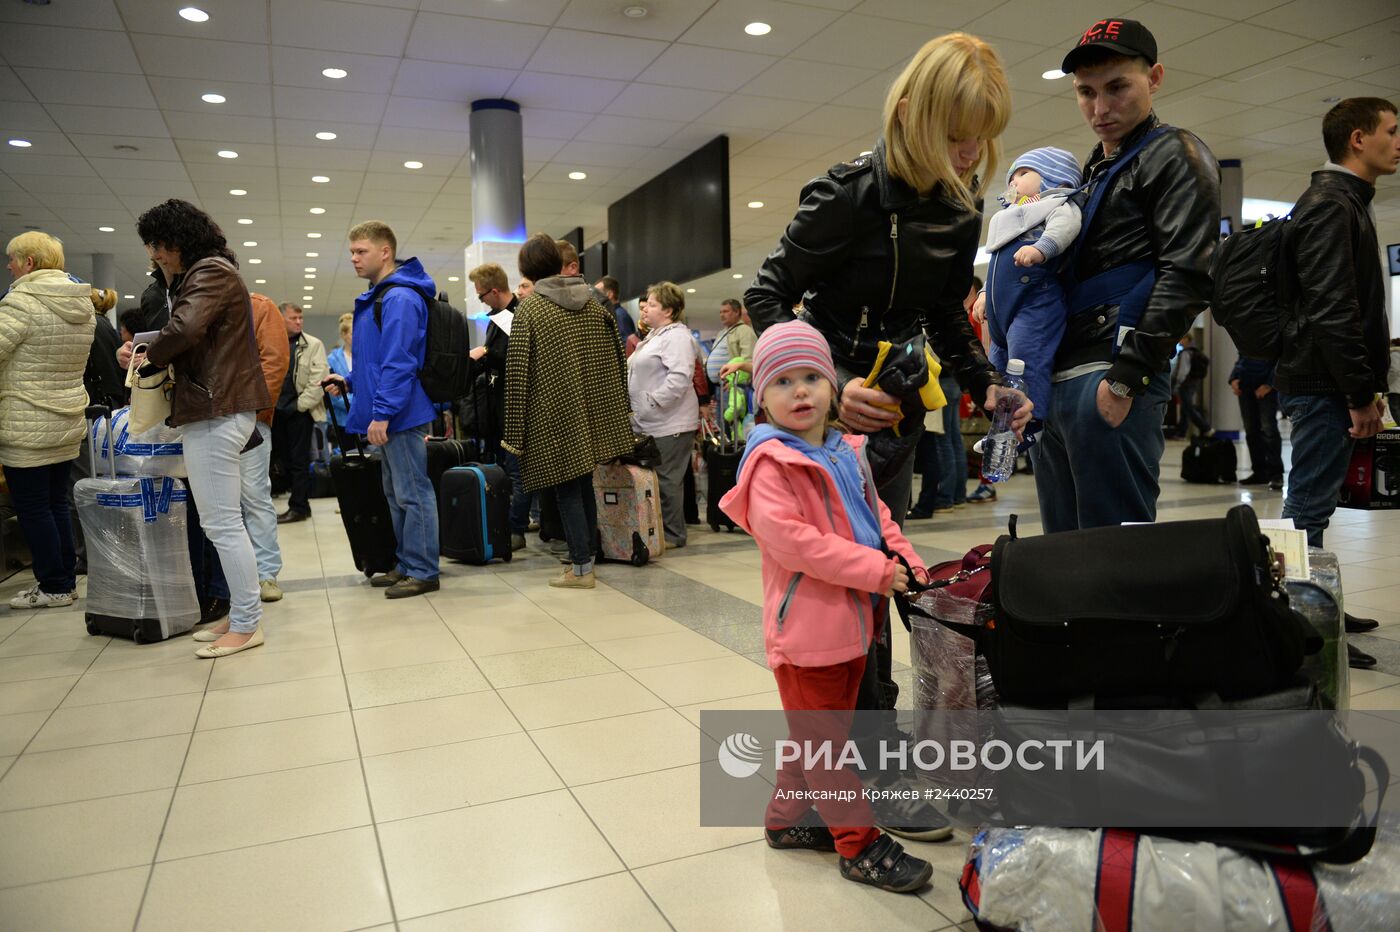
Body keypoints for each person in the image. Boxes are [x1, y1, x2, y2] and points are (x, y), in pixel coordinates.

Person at [747, 34, 1027, 734]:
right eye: (956, 137)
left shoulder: (962, 207)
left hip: (892, 417)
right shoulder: (847, 196)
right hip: (821, 424)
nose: (968, 156)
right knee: (831, 590)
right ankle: (854, 761)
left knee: (883, 578)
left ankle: (870, 749)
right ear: (909, 113)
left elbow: (942, 313)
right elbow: (769, 295)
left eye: (980, 141)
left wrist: (985, 383)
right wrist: (829, 386)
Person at [718, 320, 935, 894]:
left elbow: (879, 520)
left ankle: (786, 820)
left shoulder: (845, 451)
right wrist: (878, 572)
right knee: (827, 747)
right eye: (783, 381)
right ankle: (858, 846)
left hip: (855, 625)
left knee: (820, 735)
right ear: (760, 395)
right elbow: (795, 543)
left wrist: (908, 563)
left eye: (812, 376)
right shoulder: (769, 464)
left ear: (833, 387)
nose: (800, 391)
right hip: (807, 634)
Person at [1031, 18, 1220, 532]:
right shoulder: (1093, 173)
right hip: (1059, 373)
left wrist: (1127, 378)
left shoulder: (1175, 154)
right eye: (1085, 93)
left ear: (1154, 78)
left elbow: (1188, 273)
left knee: (1115, 547)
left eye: (1117, 87)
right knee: (1062, 547)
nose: (1100, 107)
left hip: (1110, 371)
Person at [121, 199, 270, 657]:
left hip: (216, 407)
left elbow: (184, 331)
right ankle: (241, 612)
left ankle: (247, 623)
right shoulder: (205, 273)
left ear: (177, 240)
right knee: (222, 521)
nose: (154, 255)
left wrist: (146, 356)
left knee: (222, 522)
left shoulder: (209, 273)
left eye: (158, 245)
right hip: (216, 406)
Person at [1277, 96, 1397, 550]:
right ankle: (1294, 613)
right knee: (1309, 504)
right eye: (1392, 131)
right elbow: (1333, 308)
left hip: (1324, 381)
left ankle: (1312, 602)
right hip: (1322, 385)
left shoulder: (1345, 201)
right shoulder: (1332, 204)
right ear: (1358, 139)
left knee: (1315, 502)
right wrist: (1358, 393)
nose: (1398, 142)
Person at [504, 234, 633, 588]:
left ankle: (580, 568)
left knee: (566, 491)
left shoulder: (530, 308)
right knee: (584, 485)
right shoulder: (595, 304)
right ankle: (587, 559)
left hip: (552, 414)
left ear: (527, 268)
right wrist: (616, 410)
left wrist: (514, 435)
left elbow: (517, 373)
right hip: (592, 411)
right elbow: (617, 360)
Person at [325, 221, 440, 599]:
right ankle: (407, 564)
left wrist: (383, 413)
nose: (354, 259)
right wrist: (350, 381)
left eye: (362, 251)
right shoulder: (382, 295)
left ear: (385, 251)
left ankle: (423, 570)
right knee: (396, 493)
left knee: (412, 492)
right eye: (352, 252)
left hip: (400, 414)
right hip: (389, 409)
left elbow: (400, 361)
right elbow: (376, 360)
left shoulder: (399, 298)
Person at [2, 231, 95, 609]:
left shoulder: (20, 304)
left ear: (29, 263)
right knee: (56, 502)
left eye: (12, 259)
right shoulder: (81, 305)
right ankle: (64, 580)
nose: (8, 266)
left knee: (33, 508)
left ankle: (54, 585)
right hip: (67, 416)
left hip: (26, 421)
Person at [983, 146, 1084, 433]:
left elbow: (1064, 228)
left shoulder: (1058, 204)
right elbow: (997, 268)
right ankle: (1003, 426)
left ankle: (1032, 423)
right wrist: (982, 296)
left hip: (1034, 304)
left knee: (1027, 361)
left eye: (1023, 173)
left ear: (1055, 178)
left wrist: (1041, 249)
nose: (1013, 182)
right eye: (1011, 177)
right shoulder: (1015, 216)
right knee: (997, 370)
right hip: (1002, 316)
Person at [629, 281, 701, 550]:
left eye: (653, 304)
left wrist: (651, 402)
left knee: (668, 479)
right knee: (660, 479)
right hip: (652, 421)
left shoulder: (677, 338)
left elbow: (680, 378)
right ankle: (662, 530)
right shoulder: (655, 336)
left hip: (671, 422)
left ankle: (673, 535)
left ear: (669, 311)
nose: (645, 307)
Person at [468, 261, 531, 550]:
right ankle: (509, 523)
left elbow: (518, 359)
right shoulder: (497, 317)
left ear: (494, 291)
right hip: (498, 409)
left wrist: (487, 352)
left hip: (516, 407)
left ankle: (516, 527)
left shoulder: (519, 315)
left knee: (517, 471)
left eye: (481, 295)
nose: (480, 300)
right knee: (505, 469)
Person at [246, 292, 290, 602]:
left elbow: (274, 364)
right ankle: (231, 577)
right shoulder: (189, 304)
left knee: (255, 496)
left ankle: (266, 574)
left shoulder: (259, 307)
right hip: (203, 420)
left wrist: (254, 411)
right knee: (218, 508)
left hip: (251, 420)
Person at [273, 303, 327, 524]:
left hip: (300, 412)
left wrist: (299, 406)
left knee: (299, 461)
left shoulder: (313, 344)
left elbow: (319, 380)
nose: (298, 322)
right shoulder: (272, 343)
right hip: (275, 412)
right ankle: (292, 499)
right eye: (293, 318)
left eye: (300, 318)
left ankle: (299, 507)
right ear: (280, 319)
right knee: (280, 460)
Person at [1229, 355, 1283, 489]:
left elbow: (1280, 360)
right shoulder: (1247, 337)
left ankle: (1276, 474)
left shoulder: (1274, 334)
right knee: (1251, 431)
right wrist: (1234, 378)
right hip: (1245, 386)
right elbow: (1241, 358)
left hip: (1266, 387)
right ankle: (1259, 472)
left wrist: (1270, 384)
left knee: (1269, 430)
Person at [1167, 333, 1211, 438]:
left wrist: (1177, 383)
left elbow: (1183, 371)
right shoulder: (1195, 351)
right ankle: (1182, 432)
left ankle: (1206, 428)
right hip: (1193, 383)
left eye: (1181, 338)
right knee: (1185, 409)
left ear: (1187, 339)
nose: (1179, 341)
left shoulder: (1186, 353)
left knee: (1188, 408)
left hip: (1185, 384)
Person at [325, 312, 354, 440]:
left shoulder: (366, 357)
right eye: (353, 334)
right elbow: (333, 393)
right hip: (341, 420)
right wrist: (357, 403)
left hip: (366, 417)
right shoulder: (332, 359)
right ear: (344, 335)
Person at [595, 275, 636, 343]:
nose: (595, 297)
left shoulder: (619, 316)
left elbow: (626, 345)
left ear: (610, 294)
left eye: (598, 293)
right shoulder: (615, 314)